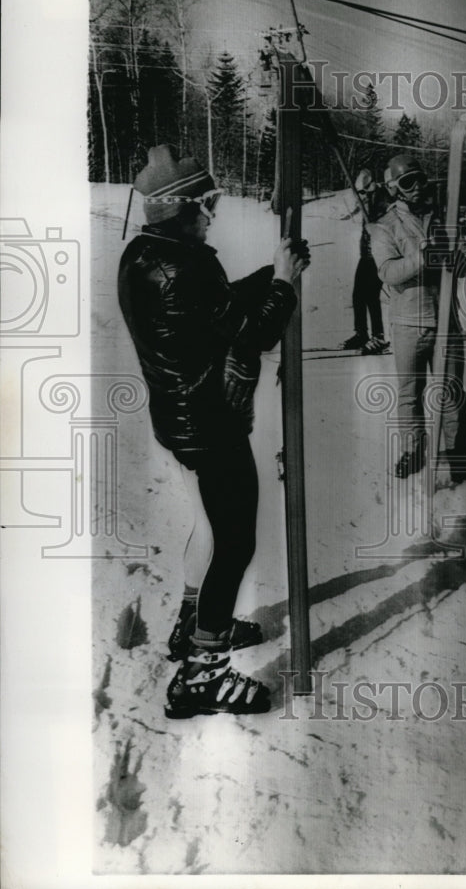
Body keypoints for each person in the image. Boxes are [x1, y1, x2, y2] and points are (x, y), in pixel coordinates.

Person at [118, 145, 309, 718]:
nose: (213, 214)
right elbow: (252, 335)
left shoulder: (148, 254)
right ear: (180, 207)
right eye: (208, 203)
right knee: (235, 544)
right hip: (209, 426)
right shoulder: (186, 265)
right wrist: (284, 284)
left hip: (181, 419)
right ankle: (203, 676)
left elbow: (217, 311)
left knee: (210, 528)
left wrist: (267, 276)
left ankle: (192, 625)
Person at [369, 154, 466, 479]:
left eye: (419, 180)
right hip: (408, 325)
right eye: (407, 183)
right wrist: (422, 258)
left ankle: (458, 453)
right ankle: (413, 450)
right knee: (409, 394)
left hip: (446, 322)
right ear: (394, 189)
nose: (416, 188)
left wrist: (453, 255)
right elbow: (387, 272)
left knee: (452, 393)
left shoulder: (443, 220)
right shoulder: (385, 226)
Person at [339, 168, 390, 355]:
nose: (363, 196)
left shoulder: (383, 198)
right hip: (366, 255)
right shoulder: (367, 199)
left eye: (364, 192)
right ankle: (361, 333)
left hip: (379, 254)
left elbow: (383, 220)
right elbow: (355, 210)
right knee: (358, 295)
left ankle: (378, 336)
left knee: (371, 296)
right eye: (361, 193)